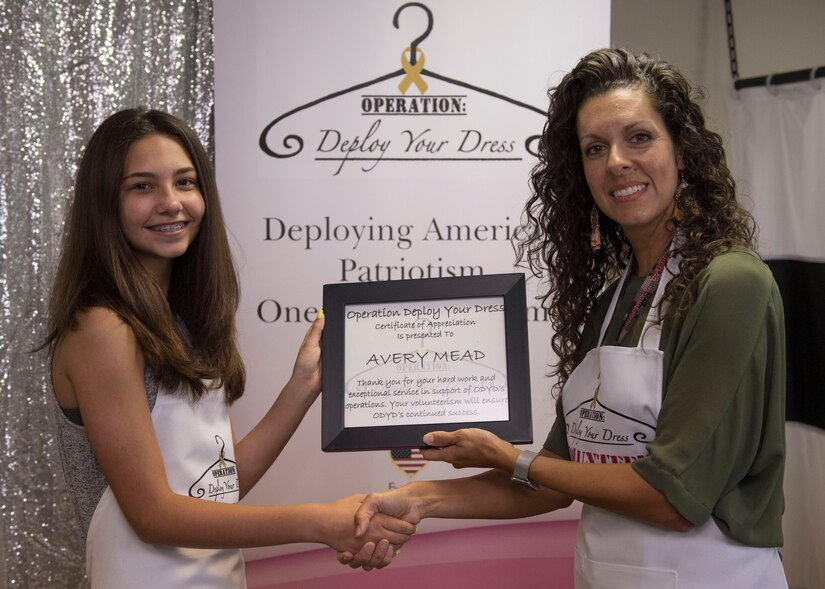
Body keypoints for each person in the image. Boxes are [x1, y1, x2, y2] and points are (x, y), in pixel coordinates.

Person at [341, 48, 788, 588]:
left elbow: (674, 498)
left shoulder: (732, 284)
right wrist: (418, 499)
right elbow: (554, 481)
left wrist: (509, 457)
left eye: (639, 137)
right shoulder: (612, 301)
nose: (617, 161)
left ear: (684, 151)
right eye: (595, 148)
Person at [41, 108, 413, 588]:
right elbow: (153, 516)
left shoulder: (182, 323)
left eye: (185, 182)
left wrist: (302, 389)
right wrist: (319, 522)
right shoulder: (103, 328)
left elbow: (217, 489)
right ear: (103, 202)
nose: (171, 202)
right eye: (142, 186)